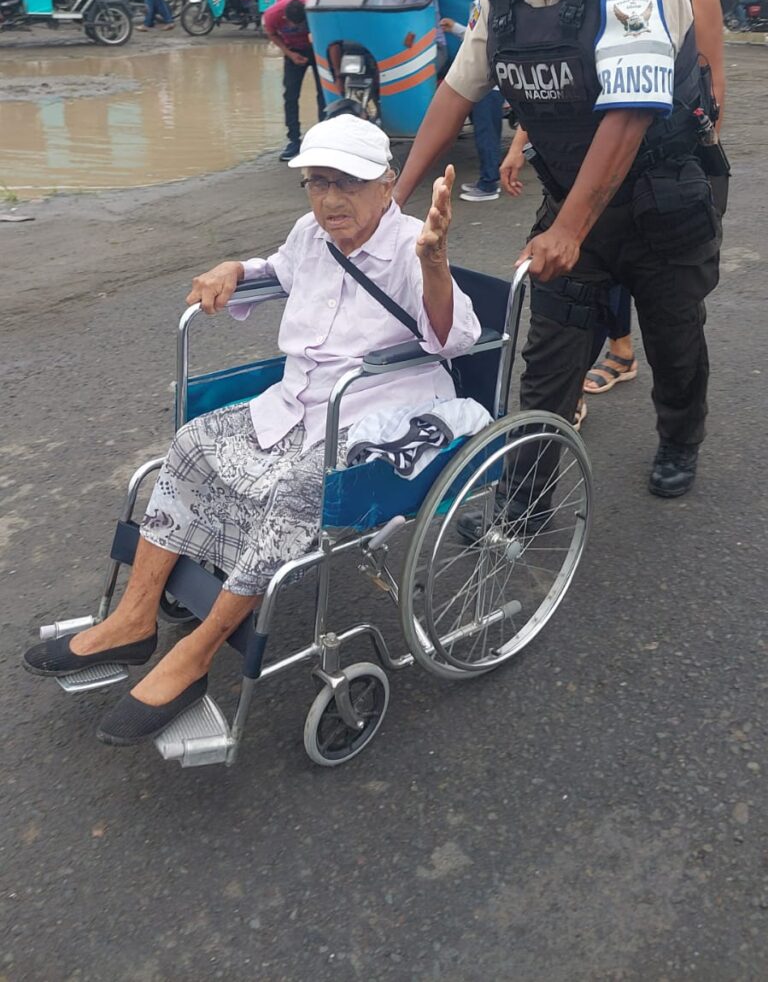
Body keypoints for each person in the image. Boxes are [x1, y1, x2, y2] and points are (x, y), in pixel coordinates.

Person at [23, 115, 480, 746]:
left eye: (347, 182)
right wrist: (234, 267)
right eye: (317, 183)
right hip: (300, 401)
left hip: (382, 414)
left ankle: (198, 653)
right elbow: (280, 267)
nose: (329, 198)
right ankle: (133, 619)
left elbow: (453, 339)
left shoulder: (411, 245)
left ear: (386, 184)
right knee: (192, 444)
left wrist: (435, 263)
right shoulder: (310, 233)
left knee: (297, 490)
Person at [394, 0, 723, 500]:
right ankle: (526, 499)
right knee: (548, 357)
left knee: (673, 340)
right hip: (576, 195)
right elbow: (459, 89)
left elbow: (631, 109)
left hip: (662, 200)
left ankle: (678, 439)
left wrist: (569, 229)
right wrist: (394, 198)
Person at [579, 0, 727, 402]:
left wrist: (697, 169)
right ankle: (619, 352)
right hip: (600, 155)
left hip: (667, 168)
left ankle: (680, 430)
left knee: (672, 303)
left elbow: (710, 85)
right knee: (592, 277)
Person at [441, 0, 504, 201]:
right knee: (489, 131)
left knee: (486, 133)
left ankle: (489, 184)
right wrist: (456, 26)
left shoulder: (481, 3)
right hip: (495, 80)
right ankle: (489, 178)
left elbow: (474, 42)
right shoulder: (497, 1)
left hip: (484, 81)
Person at [262, 0, 325, 161]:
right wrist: (290, 54)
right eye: (292, 24)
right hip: (292, 51)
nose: (295, 27)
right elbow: (271, 34)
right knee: (290, 95)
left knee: (323, 94)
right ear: (285, 17)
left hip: (317, 50)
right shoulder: (272, 15)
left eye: (299, 24)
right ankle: (293, 140)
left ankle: (324, 138)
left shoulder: (314, 13)